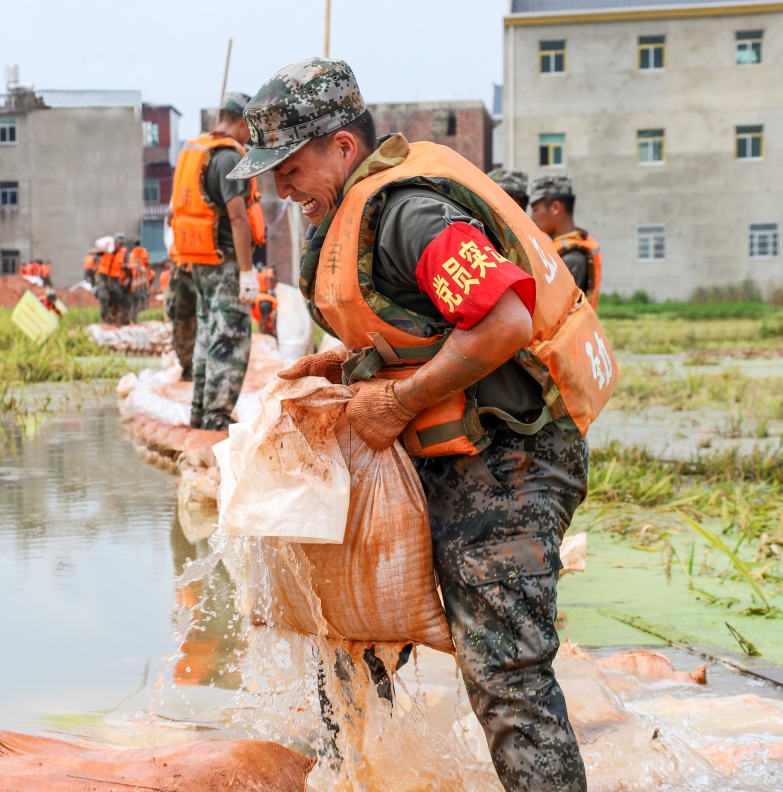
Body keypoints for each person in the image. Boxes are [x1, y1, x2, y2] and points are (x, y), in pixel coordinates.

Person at [233, 58, 618, 792]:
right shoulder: (356, 215)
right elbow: (421, 325)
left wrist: (400, 402)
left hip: (514, 458)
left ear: (343, 149)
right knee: (355, 646)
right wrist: (345, 365)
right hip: (444, 456)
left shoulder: (409, 214)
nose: (278, 187)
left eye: (288, 165)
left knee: (504, 674)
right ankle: (359, 778)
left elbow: (502, 322)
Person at [169, 91, 266, 430]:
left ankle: (200, 410)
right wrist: (245, 272)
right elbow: (238, 219)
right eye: (249, 129)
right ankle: (216, 416)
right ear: (242, 122)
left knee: (207, 335)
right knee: (230, 337)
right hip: (225, 264)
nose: (249, 137)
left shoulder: (193, 151)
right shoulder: (226, 158)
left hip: (199, 264)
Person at [529, 174, 601, 309]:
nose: (532, 218)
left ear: (555, 208)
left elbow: (554, 311)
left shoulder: (572, 257)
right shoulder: (565, 248)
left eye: (535, 211)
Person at [128, 238, 153, 323]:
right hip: (143, 279)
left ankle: (132, 318)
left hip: (134, 280)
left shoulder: (131, 254)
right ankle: (137, 318)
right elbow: (148, 265)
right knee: (143, 299)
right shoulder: (145, 253)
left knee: (134, 300)